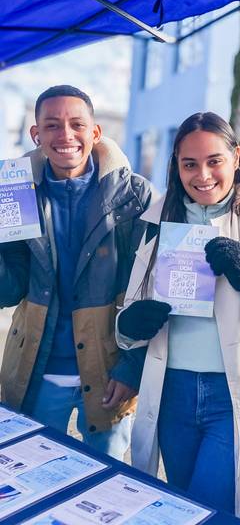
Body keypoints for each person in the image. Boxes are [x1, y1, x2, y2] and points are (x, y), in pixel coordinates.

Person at [116, 112, 240, 516]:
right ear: (176, 166)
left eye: (214, 160)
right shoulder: (155, 219)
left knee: (213, 510)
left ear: (236, 156)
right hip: (172, 393)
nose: (202, 175)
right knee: (182, 507)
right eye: (189, 164)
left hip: (237, 393)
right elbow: (131, 312)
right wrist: (128, 326)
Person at [0, 85, 153, 460]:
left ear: (95, 132)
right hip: (36, 369)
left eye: (76, 124)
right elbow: (8, 290)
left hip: (110, 373)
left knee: (107, 495)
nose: (65, 135)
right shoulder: (15, 194)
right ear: (36, 134)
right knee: (32, 481)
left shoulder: (134, 197)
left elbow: (149, 288)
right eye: (51, 125)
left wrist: (133, 367)